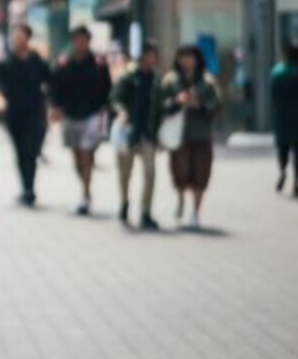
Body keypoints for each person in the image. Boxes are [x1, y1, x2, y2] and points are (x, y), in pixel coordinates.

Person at [50, 26, 112, 215]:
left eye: (83, 39)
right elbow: (55, 88)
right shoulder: (63, 63)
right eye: (76, 39)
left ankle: (85, 194)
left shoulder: (99, 63)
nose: (80, 43)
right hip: (70, 115)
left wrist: (105, 107)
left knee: (86, 154)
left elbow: (108, 87)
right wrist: (56, 108)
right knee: (77, 157)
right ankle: (85, 187)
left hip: (92, 115)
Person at [163, 44, 221, 228]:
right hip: (177, 136)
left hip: (201, 134)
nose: (186, 61)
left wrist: (200, 105)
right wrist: (176, 101)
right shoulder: (171, 81)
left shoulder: (207, 81)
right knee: (179, 172)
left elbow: (216, 105)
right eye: (183, 56)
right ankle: (181, 197)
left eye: (190, 56)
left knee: (200, 174)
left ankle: (196, 213)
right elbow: (161, 103)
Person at [0, 25, 51, 206]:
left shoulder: (38, 62)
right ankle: (26, 187)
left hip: (35, 114)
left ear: (28, 38)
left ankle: (30, 189)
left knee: (31, 151)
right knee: (20, 153)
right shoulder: (5, 63)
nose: (18, 40)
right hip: (14, 115)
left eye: (21, 37)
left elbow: (51, 82)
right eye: (15, 37)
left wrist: (53, 107)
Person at [110, 42, 163, 230]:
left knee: (150, 174)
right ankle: (124, 203)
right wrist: (121, 112)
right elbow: (115, 98)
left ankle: (146, 211)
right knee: (125, 173)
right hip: (128, 133)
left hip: (147, 134)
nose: (151, 59)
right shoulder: (129, 76)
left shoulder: (158, 80)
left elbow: (162, 106)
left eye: (153, 55)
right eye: (148, 54)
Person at [271, 44, 298, 198]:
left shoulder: (277, 72)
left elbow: (273, 96)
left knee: (283, 149)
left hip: (282, 117)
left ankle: (282, 172)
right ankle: (296, 182)